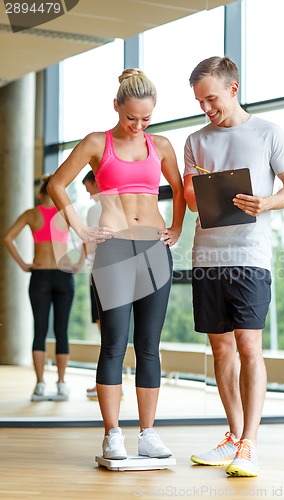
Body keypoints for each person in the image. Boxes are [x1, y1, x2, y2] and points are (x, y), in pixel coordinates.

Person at [47, 68, 186, 460]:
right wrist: (80, 229)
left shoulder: (160, 145)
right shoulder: (97, 142)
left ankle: (148, 433)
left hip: (154, 250)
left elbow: (178, 189)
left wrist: (176, 226)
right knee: (113, 345)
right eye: (131, 118)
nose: (138, 125)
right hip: (114, 251)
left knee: (149, 346)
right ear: (116, 106)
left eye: (146, 119)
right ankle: (112, 433)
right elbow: (58, 184)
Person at [183, 56, 284, 477]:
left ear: (233, 89)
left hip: (250, 255)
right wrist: (202, 185)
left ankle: (250, 444)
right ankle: (233, 436)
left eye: (211, 99)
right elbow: (192, 200)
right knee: (220, 347)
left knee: (249, 344)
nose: (206, 109)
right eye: (199, 102)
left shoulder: (269, 132)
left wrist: (264, 202)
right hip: (207, 255)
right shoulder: (196, 140)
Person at [3, 174, 78, 401]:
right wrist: (78, 263)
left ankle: (40, 384)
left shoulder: (31, 214)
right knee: (61, 330)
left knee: (40, 330)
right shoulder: (66, 213)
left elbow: (7, 238)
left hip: (40, 276)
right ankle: (62, 383)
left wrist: (24, 264)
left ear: (39, 194)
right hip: (64, 276)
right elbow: (86, 239)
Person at [82, 169, 102, 400]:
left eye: (89, 189)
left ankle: (106, 385)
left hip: (99, 274)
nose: (89, 195)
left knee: (105, 335)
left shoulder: (94, 210)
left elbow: (90, 246)